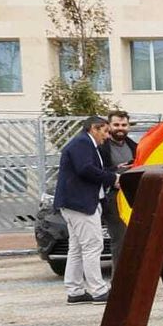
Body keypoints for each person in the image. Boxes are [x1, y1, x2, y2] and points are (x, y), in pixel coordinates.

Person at [53, 116, 117, 305]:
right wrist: (112, 178)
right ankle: (98, 290)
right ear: (94, 129)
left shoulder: (83, 143)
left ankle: (75, 291)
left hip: (75, 204)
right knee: (92, 246)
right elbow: (85, 169)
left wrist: (112, 171)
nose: (106, 136)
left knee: (78, 247)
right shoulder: (82, 143)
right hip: (81, 204)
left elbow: (89, 169)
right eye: (105, 131)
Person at [100, 110, 136, 267]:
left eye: (124, 125)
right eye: (116, 125)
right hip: (112, 199)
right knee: (120, 241)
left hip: (133, 198)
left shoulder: (135, 146)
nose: (120, 128)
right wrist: (115, 170)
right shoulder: (101, 147)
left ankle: (135, 281)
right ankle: (119, 284)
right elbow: (94, 171)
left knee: (135, 241)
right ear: (109, 126)